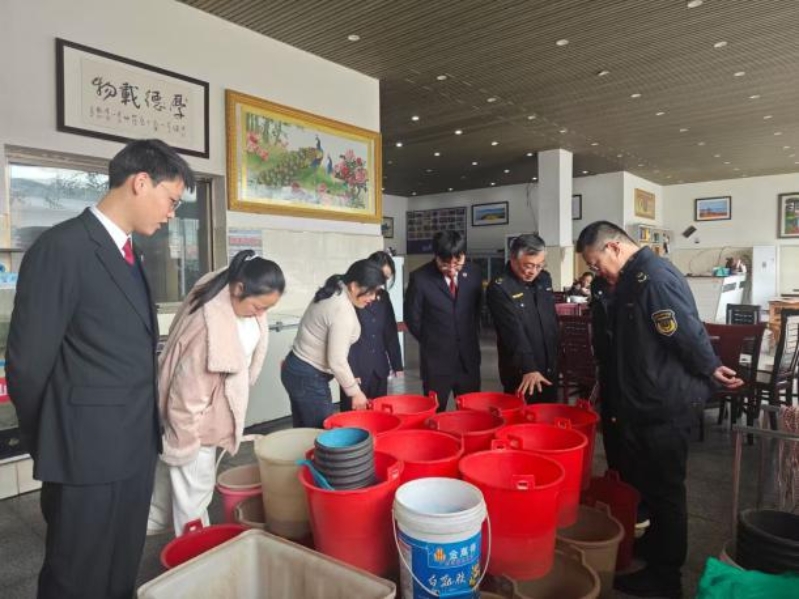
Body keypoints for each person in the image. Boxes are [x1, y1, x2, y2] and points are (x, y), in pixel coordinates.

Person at [6, 139, 194, 599]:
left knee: (120, 564)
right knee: (77, 574)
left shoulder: (130, 253)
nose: (171, 214)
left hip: (133, 444)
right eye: (171, 200)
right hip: (83, 452)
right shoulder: (62, 248)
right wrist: (52, 439)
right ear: (141, 182)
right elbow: (28, 365)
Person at [576, 221, 743, 598]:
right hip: (639, 399)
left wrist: (710, 367)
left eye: (596, 263)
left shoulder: (652, 278)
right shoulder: (625, 280)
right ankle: (655, 547)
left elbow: (683, 331)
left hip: (664, 403)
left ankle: (666, 577)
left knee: (666, 490)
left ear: (614, 247)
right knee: (647, 484)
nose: (596, 271)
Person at [147, 250, 285, 536]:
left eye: (267, 309)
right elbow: (185, 397)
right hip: (194, 429)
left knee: (176, 495)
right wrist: (185, 444)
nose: (261, 314)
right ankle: (195, 554)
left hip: (205, 419)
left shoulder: (226, 293)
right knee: (193, 503)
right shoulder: (208, 331)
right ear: (239, 289)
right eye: (258, 306)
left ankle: (139, 534)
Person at [282, 259, 386, 427]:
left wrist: (349, 378)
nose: (373, 298)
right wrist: (355, 392)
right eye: (370, 292)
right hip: (308, 377)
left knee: (304, 433)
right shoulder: (341, 309)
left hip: (297, 368)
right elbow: (337, 361)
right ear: (354, 286)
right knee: (321, 434)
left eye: (376, 292)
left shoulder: (336, 289)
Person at [405, 230, 482, 411]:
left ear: (464, 255)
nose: (452, 269)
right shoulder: (420, 278)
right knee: (435, 412)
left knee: (471, 413)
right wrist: (432, 340)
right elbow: (412, 318)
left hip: (468, 359)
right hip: (436, 362)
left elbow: (477, 310)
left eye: (457, 263)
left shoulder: (474, 273)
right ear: (436, 256)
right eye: (445, 264)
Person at [486, 234, 559, 403]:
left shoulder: (544, 279)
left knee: (549, 412)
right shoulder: (500, 287)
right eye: (528, 265)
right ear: (513, 258)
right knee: (524, 414)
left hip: (549, 364)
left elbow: (551, 320)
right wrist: (528, 367)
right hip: (522, 370)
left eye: (539, 265)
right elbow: (512, 332)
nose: (533, 271)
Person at [340, 251, 404, 410]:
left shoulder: (384, 297)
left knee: (378, 414)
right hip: (356, 369)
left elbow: (390, 331)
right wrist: (351, 373)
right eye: (380, 277)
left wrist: (397, 364)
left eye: (385, 279)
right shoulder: (351, 297)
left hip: (379, 368)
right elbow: (343, 340)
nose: (380, 284)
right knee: (354, 417)